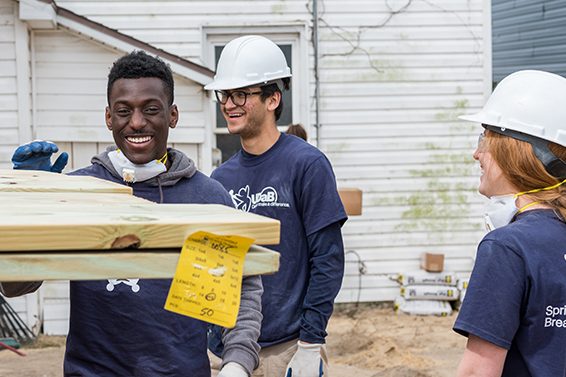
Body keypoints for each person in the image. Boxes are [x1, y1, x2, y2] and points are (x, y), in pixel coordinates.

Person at [1, 50, 262, 377]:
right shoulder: (79, 192)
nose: (137, 122)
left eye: (151, 109)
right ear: (109, 117)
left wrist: (237, 363)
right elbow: (16, 286)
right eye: (124, 111)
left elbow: (239, 292)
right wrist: (31, 204)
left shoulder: (206, 199)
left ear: (173, 115)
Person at [204, 35, 347, 377]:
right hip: (227, 348)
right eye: (225, 94)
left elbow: (327, 259)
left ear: (273, 99)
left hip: (288, 348)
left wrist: (311, 344)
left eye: (242, 94)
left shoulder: (307, 165)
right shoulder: (219, 178)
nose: (229, 104)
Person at [453, 70, 566, 376]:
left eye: (485, 139)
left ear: (518, 152)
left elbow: (478, 371)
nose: (476, 154)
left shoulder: (508, 248)